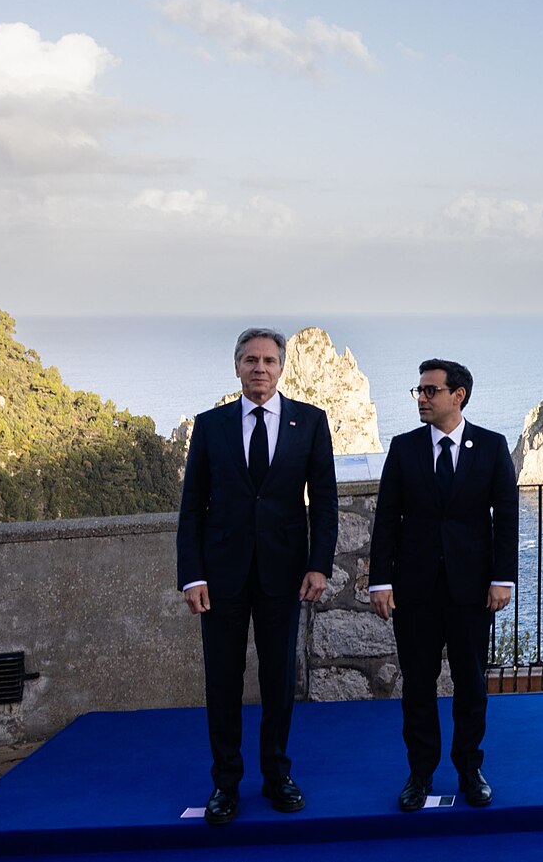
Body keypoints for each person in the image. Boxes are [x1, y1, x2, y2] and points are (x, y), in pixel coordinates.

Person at [176, 328, 338, 826]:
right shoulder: (211, 426)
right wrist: (192, 576)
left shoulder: (310, 422)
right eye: (251, 360)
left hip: (284, 574)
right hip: (221, 576)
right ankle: (225, 783)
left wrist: (319, 564)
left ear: (282, 368)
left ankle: (277, 775)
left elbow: (324, 502)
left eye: (268, 360)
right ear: (237, 367)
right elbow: (192, 507)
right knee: (223, 681)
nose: (260, 368)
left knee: (278, 679)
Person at [369, 359, 518, 811]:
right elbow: (386, 519)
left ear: (458, 396)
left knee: (471, 683)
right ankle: (419, 774)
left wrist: (502, 579)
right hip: (415, 590)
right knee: (418, 685)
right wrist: (380, 581)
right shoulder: (404, 448)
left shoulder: (491, 446)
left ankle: (470, 769)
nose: (422, 398)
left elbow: (506, 518)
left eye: (430, 390)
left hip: (471, 590)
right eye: (418, 390)